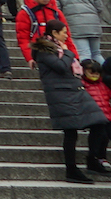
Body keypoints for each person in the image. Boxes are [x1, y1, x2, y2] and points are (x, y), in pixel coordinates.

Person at [30, 22, 111, 183]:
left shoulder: (58, 48)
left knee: (100, 123)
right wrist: (67, 51)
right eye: (63, 32)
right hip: (60, 94)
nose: (66, 35)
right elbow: (61, 66)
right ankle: (71, 170)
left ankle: (92, 160)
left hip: (74, 90)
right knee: (70, 132)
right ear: (54, 32)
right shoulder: (43, 50)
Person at [15, 0, 70, 65]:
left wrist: (74, 56)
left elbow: (67, 36)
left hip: (58, 52)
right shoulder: (25, 13)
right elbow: (23, 39)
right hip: (39, 54)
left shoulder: (57, 12)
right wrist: (30, 58)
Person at [83, 58, 111, 125]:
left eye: (97, 74)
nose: (94, 75)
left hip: (106, 114)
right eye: (92, 73)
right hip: (93, 115)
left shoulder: (102, 85)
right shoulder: (83, 84)